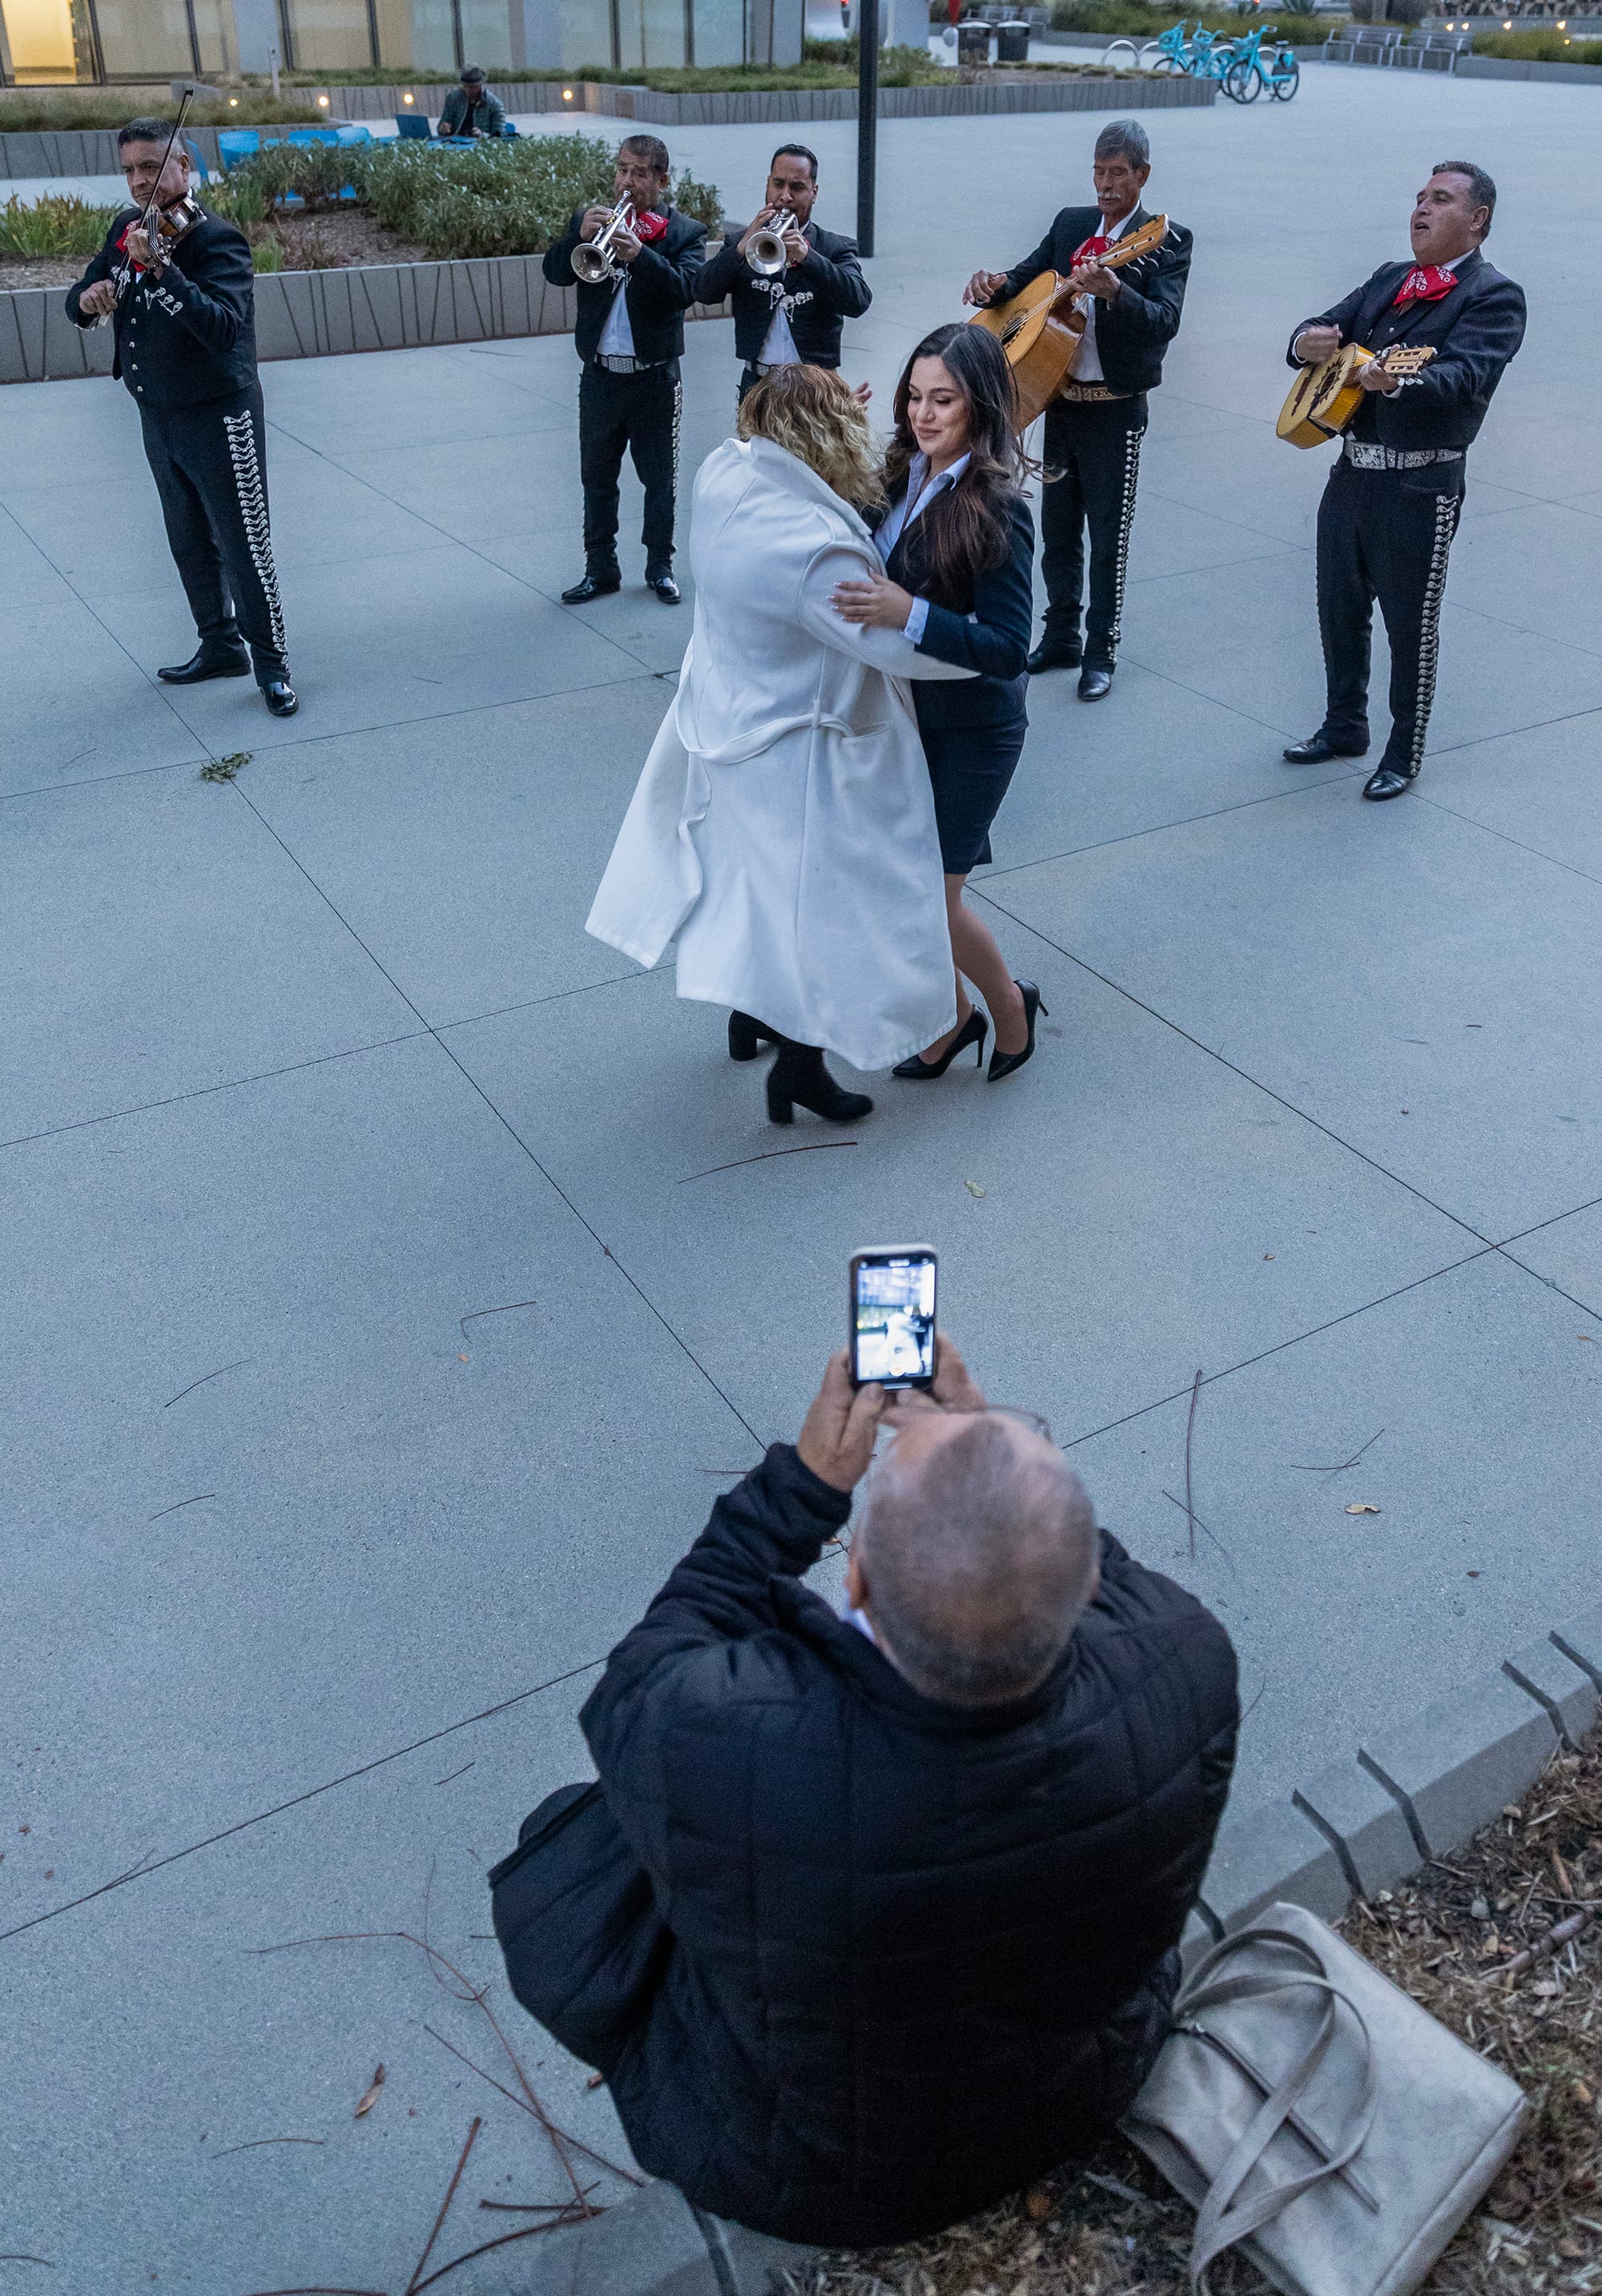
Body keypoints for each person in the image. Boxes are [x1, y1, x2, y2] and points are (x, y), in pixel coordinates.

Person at [490, 1333, 1239, 2249]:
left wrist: (801, 1486)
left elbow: (640, 1677)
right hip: (1080, 2083)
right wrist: (983, 1455)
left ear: (850, 1582)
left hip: (810, 2170)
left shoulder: (723, 1743)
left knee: (586, 1832)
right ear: (1085, 1585)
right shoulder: (1187, 1653)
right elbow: (1074, 1564)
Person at [585, 364, 977, 1127]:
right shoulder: (817, 550)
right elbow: (894, 650)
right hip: (801, 753)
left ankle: (748, 1017)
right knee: (819, 910)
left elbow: (766, 446)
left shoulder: (723, 473)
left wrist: (811, 414)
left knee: (750, 894)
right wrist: (982, 651)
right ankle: (800, 1067)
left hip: (726, 721)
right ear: (827, 439)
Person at [831, 324, 1042, 1084]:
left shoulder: (999, 507)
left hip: (976, 729)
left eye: (942, 400)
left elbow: (1009, 646)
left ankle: (1010, 1012)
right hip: (908, 716)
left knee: (934, 897)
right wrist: (831, 428)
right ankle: (953, 1019)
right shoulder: (900, 470)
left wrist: (906, 613)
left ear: (979, 407)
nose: (923, 415)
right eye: (915, 397)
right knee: (904, 885)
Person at [1282, 163, 1526, 802]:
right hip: (1350, 473)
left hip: (1422, 486)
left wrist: (1399, 380)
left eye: (1440, 200)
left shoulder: (1494, 295)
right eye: (1419, 198)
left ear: (1478, 220)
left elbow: (1465, 376)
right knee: (1338, 606)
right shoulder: (1390, 278)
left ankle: (1403, 748)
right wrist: (1305, 340)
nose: (1421, 208)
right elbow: (1322, 327)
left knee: (1409, 622)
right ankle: (1343, 727)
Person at [66, 119, 296, 717]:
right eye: (129, 170)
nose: (139, 181)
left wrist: (165, 269)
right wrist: (88, 302)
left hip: (221, 415)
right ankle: (218, 645)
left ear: (183, 169)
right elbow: (85, 291)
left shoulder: (216, 240)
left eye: (150, 167)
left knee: (244, 542)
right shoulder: (126, 229)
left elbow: (222, 329)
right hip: (158, 414)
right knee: (188, 540)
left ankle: (271, 666)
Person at [964, 120, 1192, 702]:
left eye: (1119, 173)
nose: (1107, 183)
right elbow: (1024, 280)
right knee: (1059, 531)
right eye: (1099, 171)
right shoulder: (1070, 224)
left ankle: (1100, 651)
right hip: (1059, 401)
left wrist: (1116, 292)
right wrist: (991, 287)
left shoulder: (1165, 240)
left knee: (1107, 535)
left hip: (1116, 410)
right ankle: (1060, 635)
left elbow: (1165, 321)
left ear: (1143, 176)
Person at [542, 135, 707, 605]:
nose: (626, 182)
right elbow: (555, 272)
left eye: (638, 173)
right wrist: (575, 237)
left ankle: (660, 567)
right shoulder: (590, 222)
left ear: (661, 180)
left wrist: (641, 255)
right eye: (621, 170)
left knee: (658, 480)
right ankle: (601, 570)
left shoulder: (684, 233)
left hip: (655, 378)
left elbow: (684, 291)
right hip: (600, 377)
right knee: (596, 478)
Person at [690, 143, 871, 402]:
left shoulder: (834, 247)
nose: (785, 196)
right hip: (758, 386)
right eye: (778, 184)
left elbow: (859, 301)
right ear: (767, 184)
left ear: (814, 192)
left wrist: (810, 258)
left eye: (797, 187)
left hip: (815, 388)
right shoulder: (742, 242)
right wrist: (740, 251)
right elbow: (701, 291)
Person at [437, 66, 508, 139]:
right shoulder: (452, 98)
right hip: (455, 141)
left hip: (480, 144)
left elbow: (499, 134)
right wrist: (443, 128)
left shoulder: (494, 104)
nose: (467, 90)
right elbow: (444, 122)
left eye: (472, 87)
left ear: (480, 85)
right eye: (465, 86)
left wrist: (482, 135)